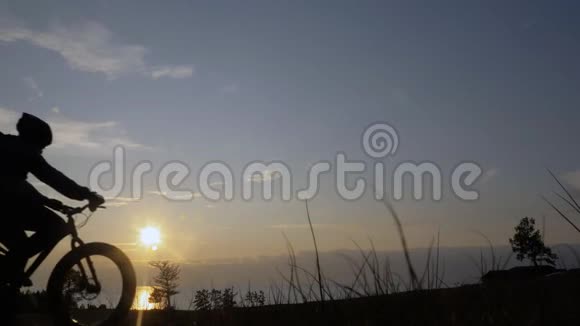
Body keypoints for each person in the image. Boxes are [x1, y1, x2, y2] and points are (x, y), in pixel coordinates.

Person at [0, 113, 104, 285]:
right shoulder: (25, 151)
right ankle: (8, 273)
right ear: (34, 139)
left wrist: (47, 201)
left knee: (20, 249)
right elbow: (55, 178)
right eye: (42, 146)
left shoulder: (10, 147)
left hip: (8, 208)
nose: (42, 151)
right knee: (56, 227)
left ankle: (9, 290)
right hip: (5, 208)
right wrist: (87, 194)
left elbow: (16, 186)